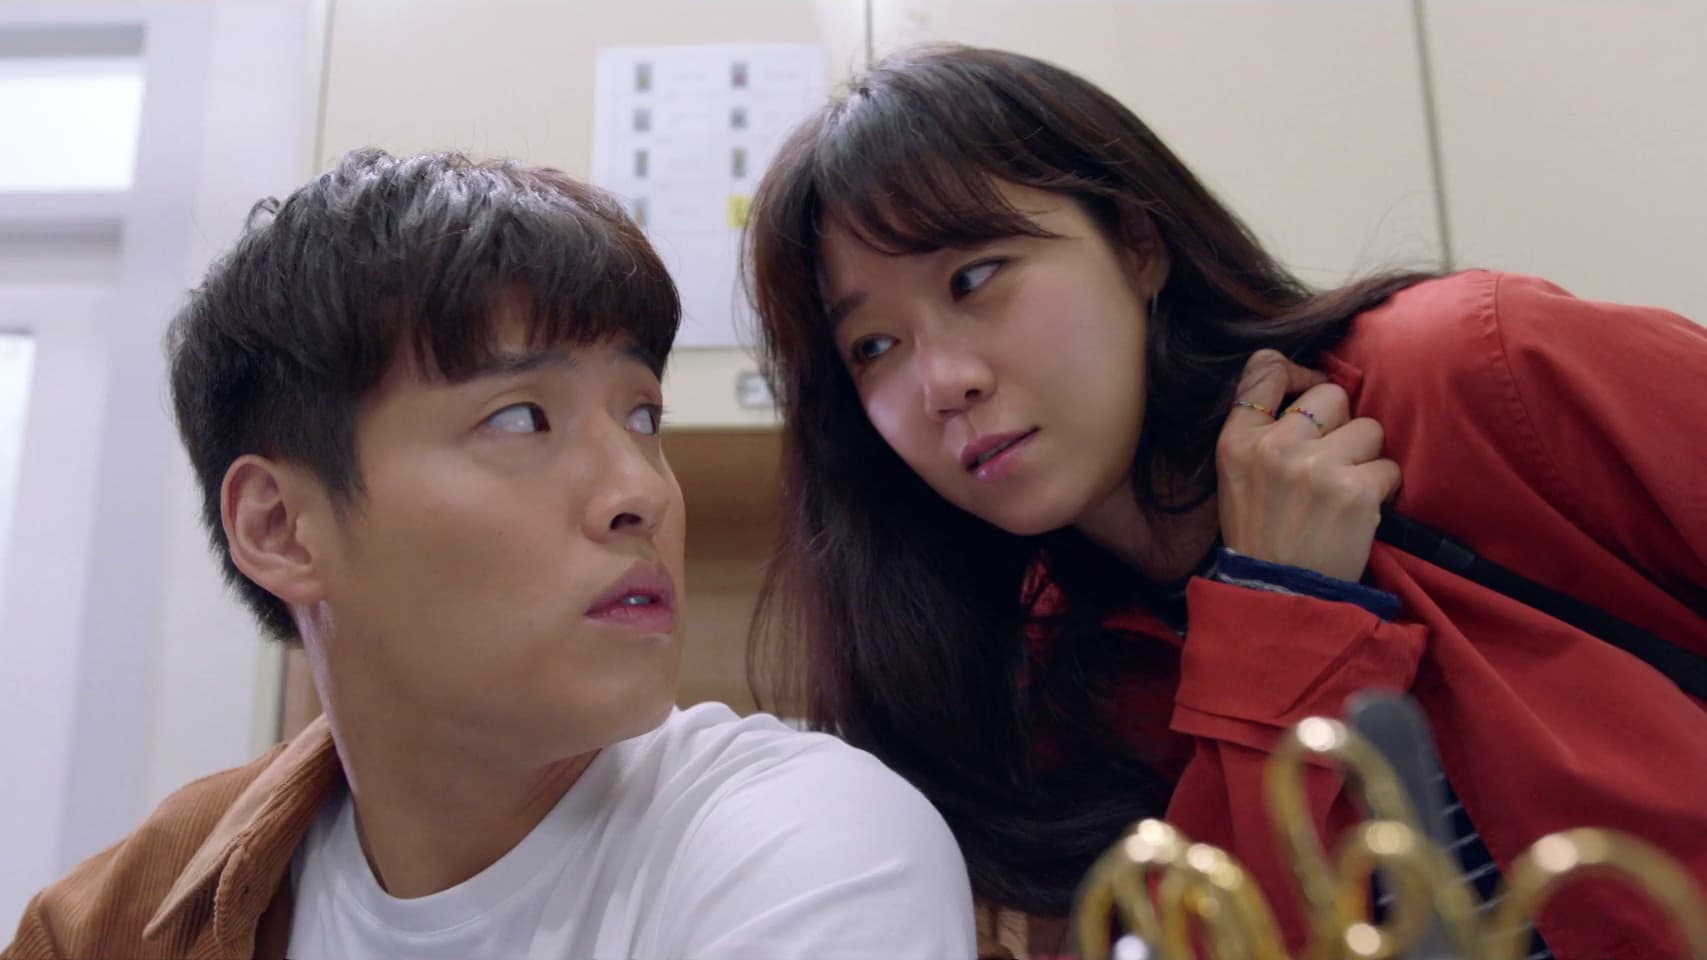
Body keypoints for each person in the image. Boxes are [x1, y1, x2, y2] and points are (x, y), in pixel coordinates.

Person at [743, 44, 1707, 958]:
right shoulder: (1041, 686)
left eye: (973, 277)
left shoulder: (1466, 371)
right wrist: (1276, 613)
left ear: (1139, 243)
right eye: (873, 346)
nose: (941, 382)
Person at [2, 150, 975, 960]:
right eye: (520, 418)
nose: (639, 492)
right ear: (279, 527)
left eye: (643, 416)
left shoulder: (803, 842)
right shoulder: (114, 923)